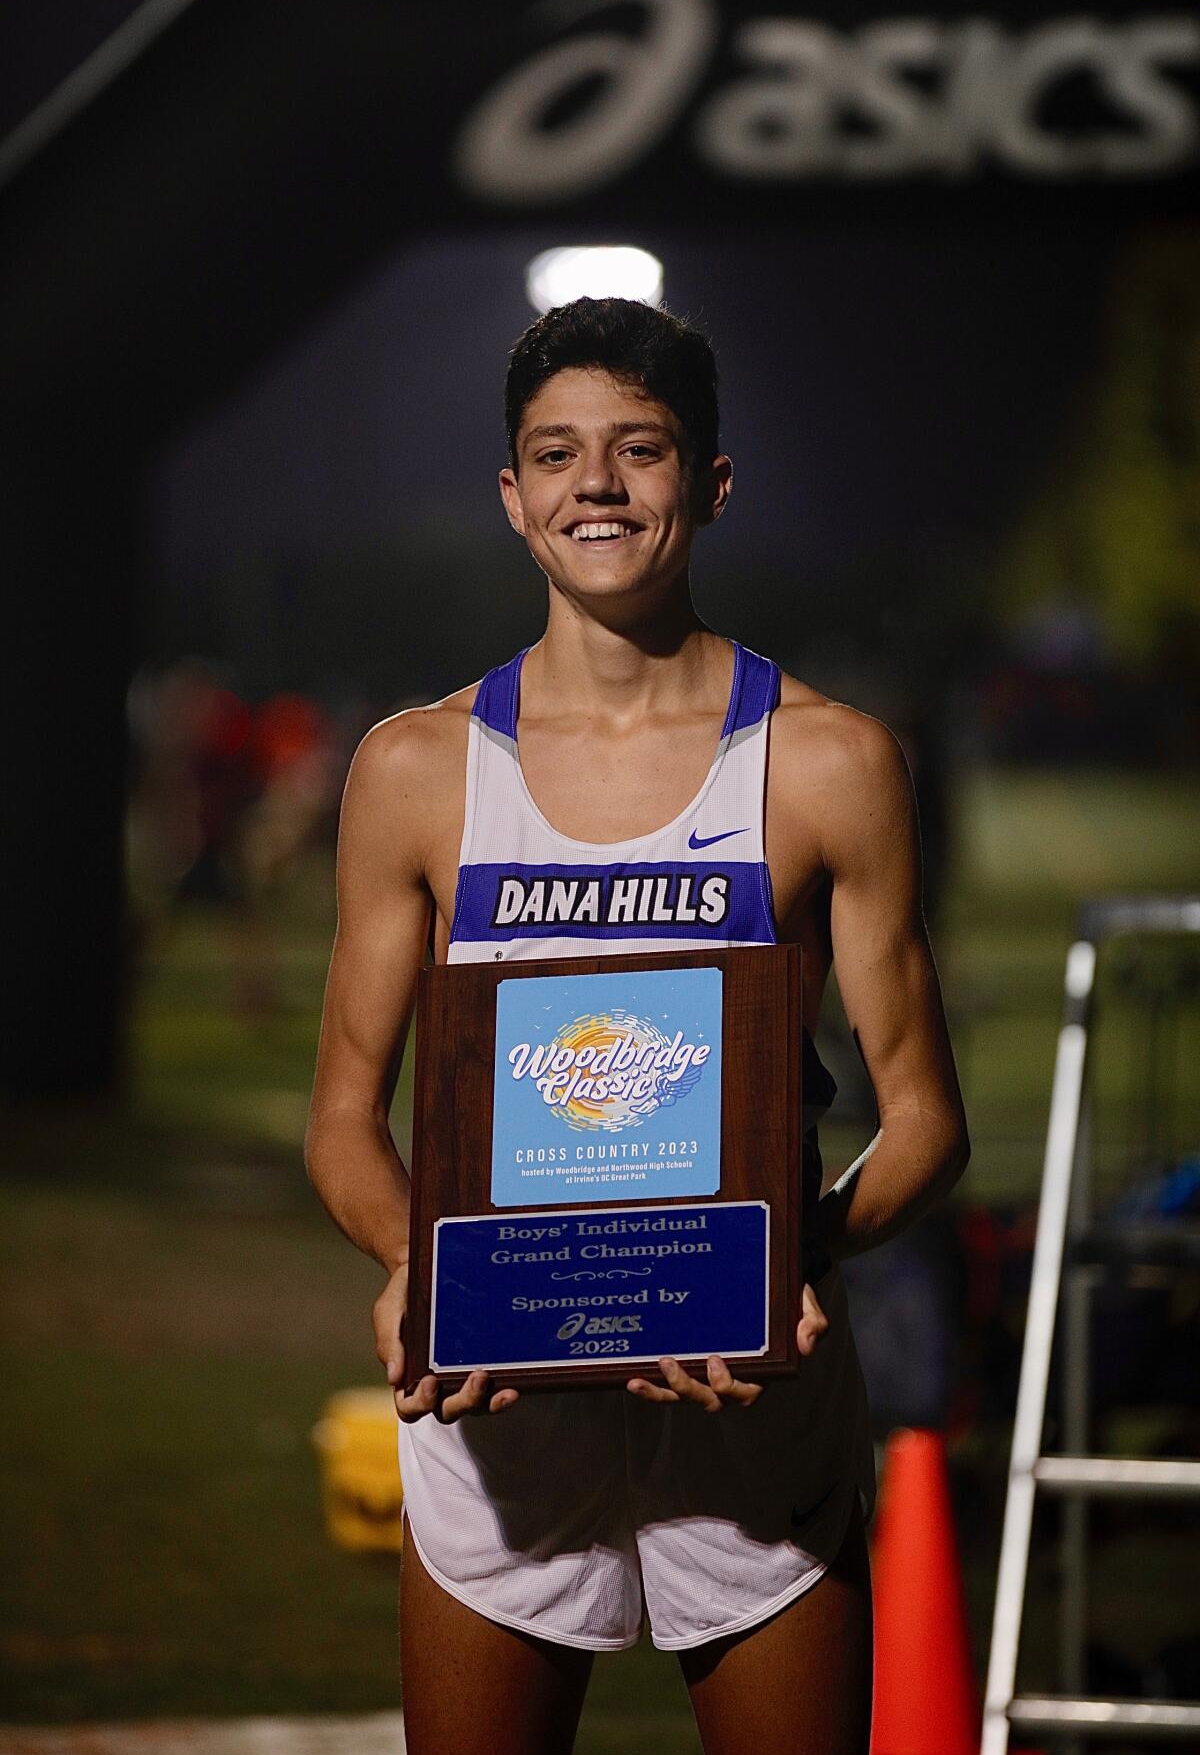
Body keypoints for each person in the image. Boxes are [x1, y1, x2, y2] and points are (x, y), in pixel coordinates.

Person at [305, 298, 970, 1755]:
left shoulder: (829, 764)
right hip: (499, 1442)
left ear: (711, 483)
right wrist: (416, 1261)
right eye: (556, 455)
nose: (595, 486)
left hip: (756, 1438)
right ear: (512, 495)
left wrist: (795, 1256)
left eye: (640, 450)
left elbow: (923, 1117)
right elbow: (345, 1121)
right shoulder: (416, 770)